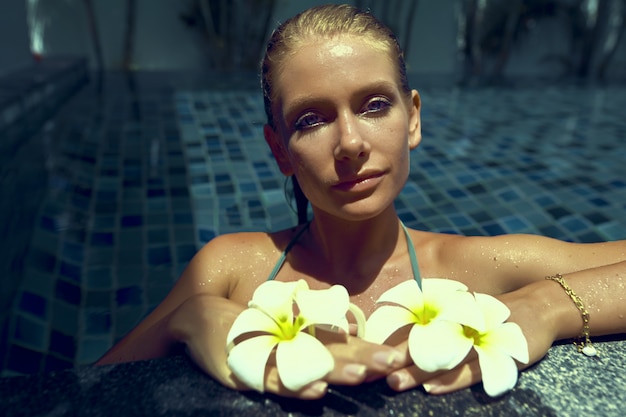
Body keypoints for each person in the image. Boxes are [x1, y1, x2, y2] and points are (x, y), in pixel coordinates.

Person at [96, 4, 626, 400]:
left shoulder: (476, 267)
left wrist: (545, 305)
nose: (349, 142)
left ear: (412, 118)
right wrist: (190, 316)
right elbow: (80, 394)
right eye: (312, 119)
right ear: (279, 148)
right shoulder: (232, 269)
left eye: (374, 106)